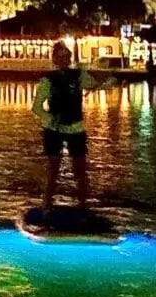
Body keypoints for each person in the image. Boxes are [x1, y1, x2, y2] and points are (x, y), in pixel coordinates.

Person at [32, 41, 105, 212]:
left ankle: (83, 207)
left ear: (70, 59)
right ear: (54, 59)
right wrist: (50, 119)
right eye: (60, 57)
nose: (64, 60)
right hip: (54, 129)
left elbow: (94, 83)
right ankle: (47, 206)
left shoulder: (79, 76)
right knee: (54, 169)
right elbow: (37, 107)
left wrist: (104, 79)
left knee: (80, 169)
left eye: (66, 57)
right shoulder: (47, 80)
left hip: (76, 128)